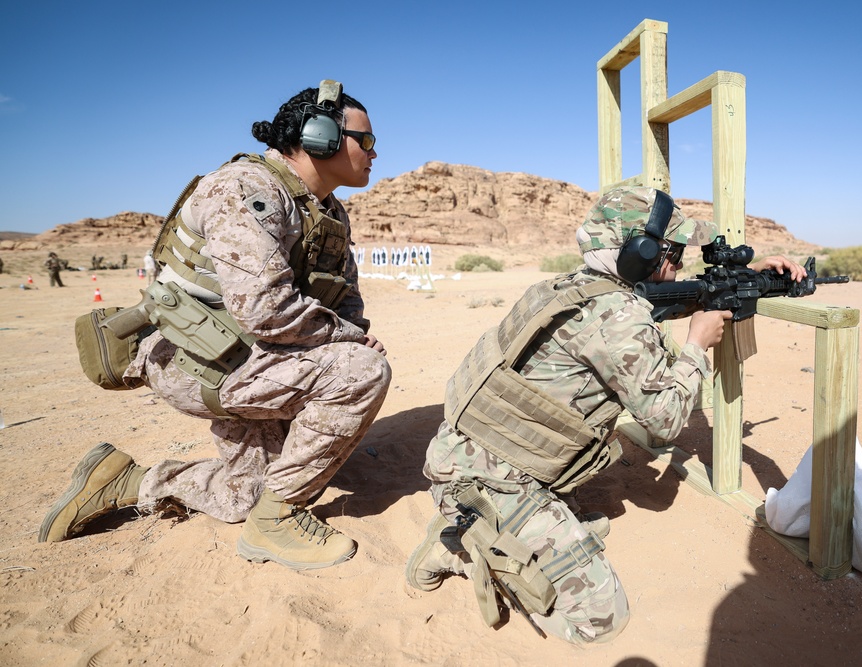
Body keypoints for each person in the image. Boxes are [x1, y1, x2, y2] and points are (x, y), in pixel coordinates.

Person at [405, 186, 806, 644]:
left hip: (468, 455)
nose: (678, 264)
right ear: (643, 253)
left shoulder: (570, 289)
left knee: (586, 532)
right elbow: (666, 420)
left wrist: (748, 279)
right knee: (599, 621)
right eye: (673, 252)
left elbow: (647, 308)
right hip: (489, 485)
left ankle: (531, 529)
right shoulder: (619, 318)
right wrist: (696, 346)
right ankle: (458, 547)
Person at [38, 79, 391, 571]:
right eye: (366, 140)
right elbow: (264, 308)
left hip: (252, 357)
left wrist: (353, 329)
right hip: (201, 361)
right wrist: (351, 341)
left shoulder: (326, 211)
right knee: (360, 371)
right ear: (320, 137)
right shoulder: (247, 189)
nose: (375, 152)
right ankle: (278, 524)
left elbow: (345, 301)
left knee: (244, 495)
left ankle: (128, 481)